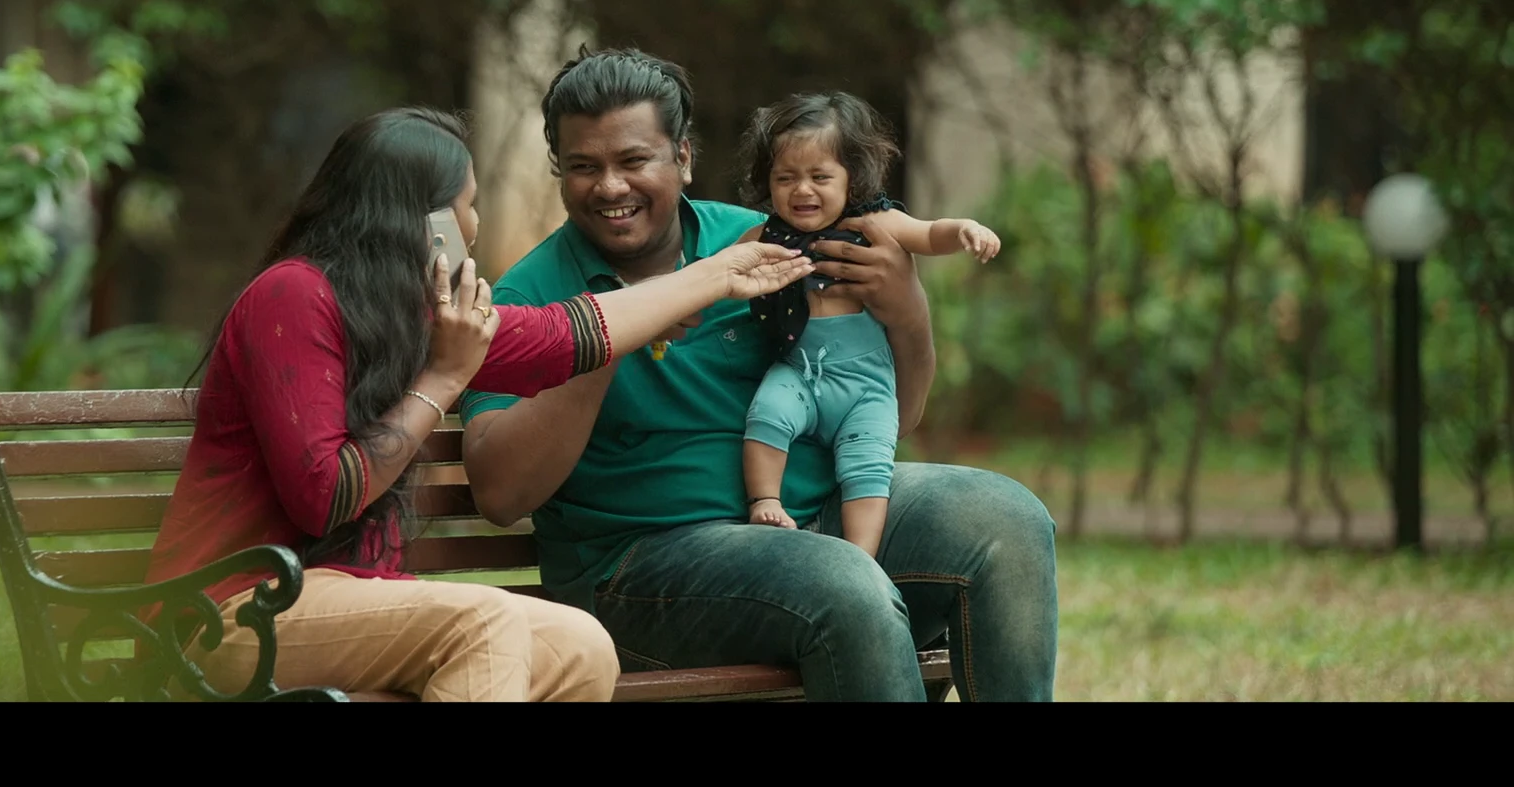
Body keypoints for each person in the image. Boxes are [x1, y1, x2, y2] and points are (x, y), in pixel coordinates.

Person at [139, 105, 815, 702]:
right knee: (484, 627)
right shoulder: (292, 296)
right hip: (231, 610)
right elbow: (327, 494)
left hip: (346, 597)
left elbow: (564, 334)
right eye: (468, 205)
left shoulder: (414, 316)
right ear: (425, 221)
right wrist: (442, 379)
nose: (474, 224)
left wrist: (716, 274)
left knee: (579, 646)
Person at [458, 48, 1059, 702]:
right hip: (637, 571)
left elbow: (896, 417)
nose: (610, 187)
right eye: (583, 166)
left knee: (1006, 519)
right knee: (842, 582)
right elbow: (501, 496)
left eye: (633, 161)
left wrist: (909, 315)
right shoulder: (529, 296)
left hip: (812, 519)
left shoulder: (765, 245)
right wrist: (608, 334)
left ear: (683, 157)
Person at [734, 91, 1001, 564]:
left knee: (869, 467)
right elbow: (717, 276)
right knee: (766, 414)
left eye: (820, 177)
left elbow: (928, 232)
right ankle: (765, 501)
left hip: (865, 386)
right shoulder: (764, 236)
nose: (802, 190)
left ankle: (860, 557)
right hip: (799, 372)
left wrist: (964, 228)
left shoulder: (875, 222)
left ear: (851, 177)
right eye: (785, 178)